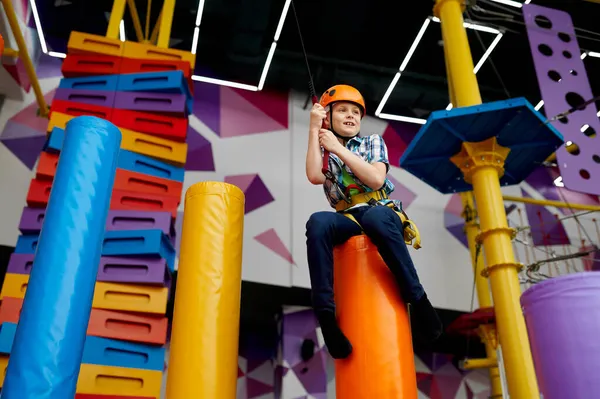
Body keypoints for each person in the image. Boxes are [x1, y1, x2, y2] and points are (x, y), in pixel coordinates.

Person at [305, 84, 443, 359]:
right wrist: (314, 131)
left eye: (356, 112)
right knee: (318, 223)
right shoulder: (326, 149)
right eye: (342, 110)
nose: (350, 116)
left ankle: (419, 299)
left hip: (379, 208)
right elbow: (313, 175)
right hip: (348, 216)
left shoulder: (372, 142)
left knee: (376, 217)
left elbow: (376, 179)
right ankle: (327, 319)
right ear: (327, 117)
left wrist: (338, 149)